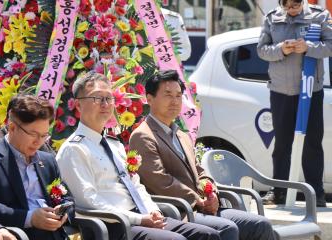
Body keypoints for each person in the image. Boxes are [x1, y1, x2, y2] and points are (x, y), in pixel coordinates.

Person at [56, 72, 222, 240]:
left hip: (140, 217)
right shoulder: (74, 150)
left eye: (109, 98)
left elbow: (135, 185)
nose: (105, 104)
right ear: (78, 105)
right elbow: (89, 202)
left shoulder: (115, 144)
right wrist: (140, 219)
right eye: (97, 98)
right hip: (112, 226)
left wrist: (153, 211)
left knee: (208, 235)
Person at [129, 70, 276, 240]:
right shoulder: (143, 135)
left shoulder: (181, 135)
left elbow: (199, 172)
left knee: (260, 224)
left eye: (178, 95)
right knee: (226, 228)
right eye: (168, 95)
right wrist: (198, 199)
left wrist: (211, 192)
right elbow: (160, 181)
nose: (175, 101)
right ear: (149, 98)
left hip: (200, 206)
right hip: (177, 210)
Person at [257, 0, 332, 207]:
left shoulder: (319, 16)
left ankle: (316, 192)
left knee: (312, 144)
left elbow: (330, 46)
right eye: (287, 6)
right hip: (281, 91)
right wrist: (282, 49)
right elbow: (262, 50)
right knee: (281, 144)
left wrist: (309, 47)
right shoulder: (272, 17)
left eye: (295, 6)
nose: (291, 10)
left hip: (310, 90)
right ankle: (278, 191)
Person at [0, 95, 73, 240]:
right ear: (12, 127)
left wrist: (63, 213)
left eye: (44, 135)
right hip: (20, 234)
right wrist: (30, 218)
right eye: (33, 134)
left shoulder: (47, 160)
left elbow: (67, 197)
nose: (39, 142)